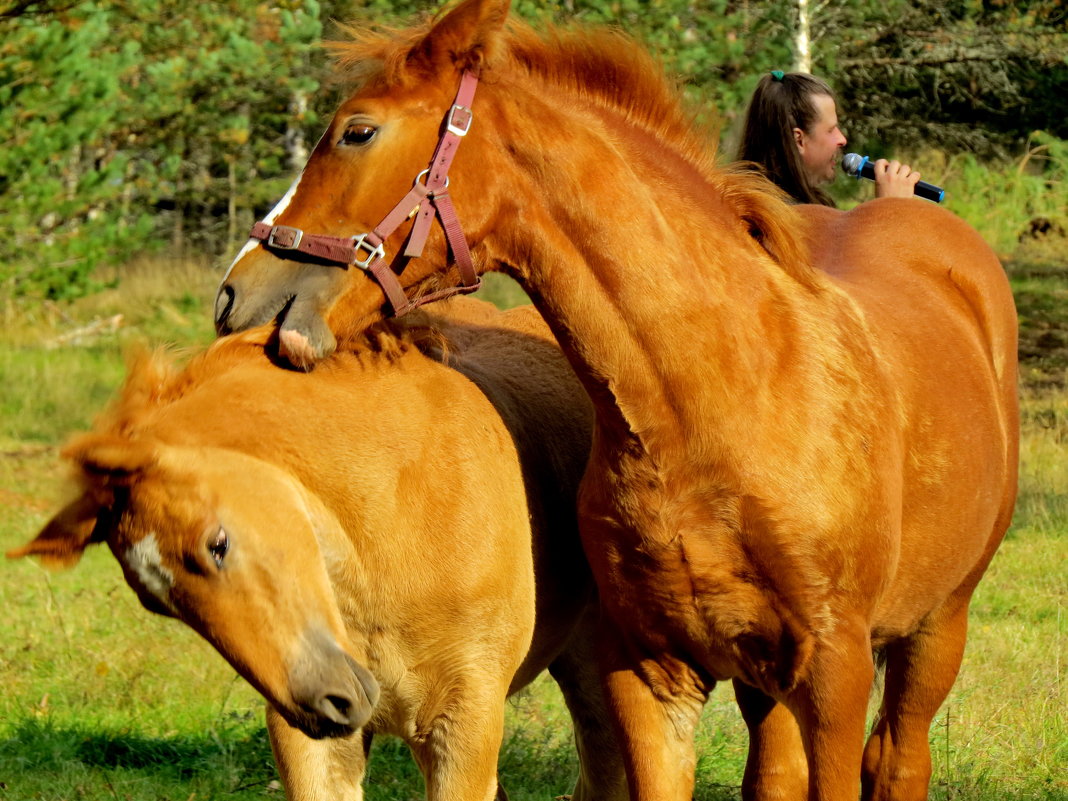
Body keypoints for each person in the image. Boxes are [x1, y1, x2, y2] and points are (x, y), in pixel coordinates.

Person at [737, 70, 921, 205]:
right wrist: (890, 209)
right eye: (831, 130)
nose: (842, 139)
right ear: (798, 140)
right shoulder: (770, 216)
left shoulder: (804, 204)